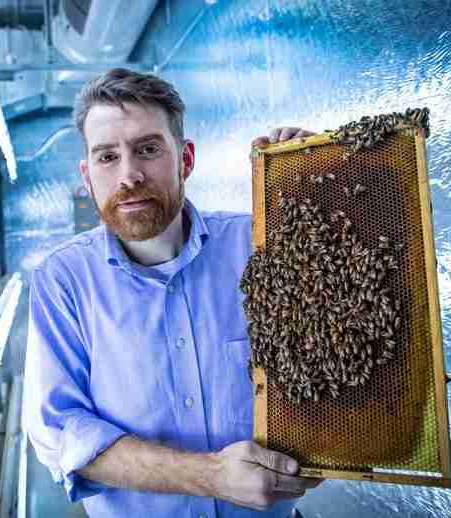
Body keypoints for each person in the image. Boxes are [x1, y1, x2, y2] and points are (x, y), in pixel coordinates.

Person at [25, 68, 321, 517]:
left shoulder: (261, 244)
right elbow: (61, 430)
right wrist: (212, 476)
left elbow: (356, 316)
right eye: (107, 157)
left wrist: (325, 179)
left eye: (147, 149)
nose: (129, 175)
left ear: (185, 160)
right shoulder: (62, 280)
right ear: (88, 177)